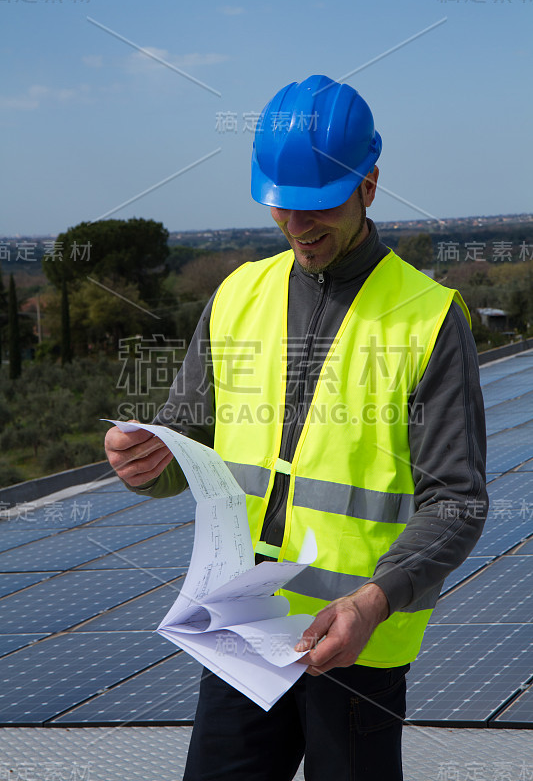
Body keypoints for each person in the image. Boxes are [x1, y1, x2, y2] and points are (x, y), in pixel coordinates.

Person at [105, 74, 487, 780]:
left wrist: (373, 602)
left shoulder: (429, 319)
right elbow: (184, 444)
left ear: (368, 186)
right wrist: (146, 462)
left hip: (356, 646)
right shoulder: (238, 294)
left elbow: (455, 502)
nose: (297, 226)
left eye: (318, 206)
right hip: (240, 628)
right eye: (283, 207)